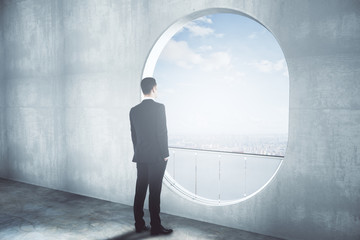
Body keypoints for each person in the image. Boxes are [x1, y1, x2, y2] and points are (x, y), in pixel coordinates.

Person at [129, 77, 173, 236]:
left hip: (140, 156)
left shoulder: (134, 110)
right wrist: (165, 154)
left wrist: (138, 151)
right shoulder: (160, 108)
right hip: (156, 157)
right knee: (154, 192)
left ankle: (139, 224)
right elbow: (162, 132)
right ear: (154, 88)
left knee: (140, 190)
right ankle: (156, 226)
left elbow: (133, 135)